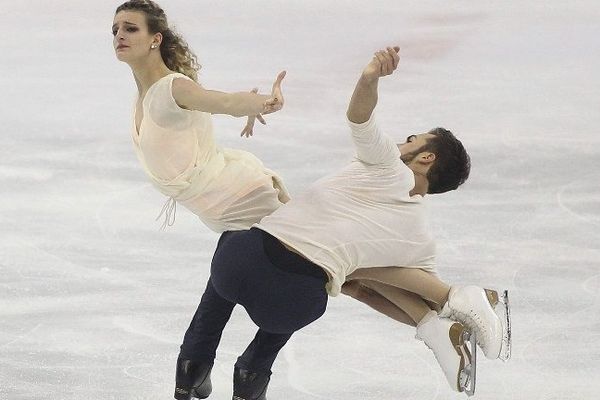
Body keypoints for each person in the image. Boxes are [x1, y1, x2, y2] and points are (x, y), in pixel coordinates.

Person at [175, 44, 511, 400]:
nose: (402, 142)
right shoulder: (421, 239)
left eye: (411, 139)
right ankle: (252, 373)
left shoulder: (386, 165)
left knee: (238, 237)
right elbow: (379, 293)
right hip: (289, 306)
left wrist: (370, 77)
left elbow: (359, 117)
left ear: (425, 157)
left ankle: (193, 362)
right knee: (340, 277)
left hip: (237, 267)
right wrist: (424, 319)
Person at [112, 0, 288, 234]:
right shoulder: (142, 95)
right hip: (218, 211)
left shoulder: (173, 88)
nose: (119, 36)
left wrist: (264, 103)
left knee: (321, 263)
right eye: (115, 30)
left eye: (130, 28)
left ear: (156, 39)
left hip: (244, 198)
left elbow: (225, 102)